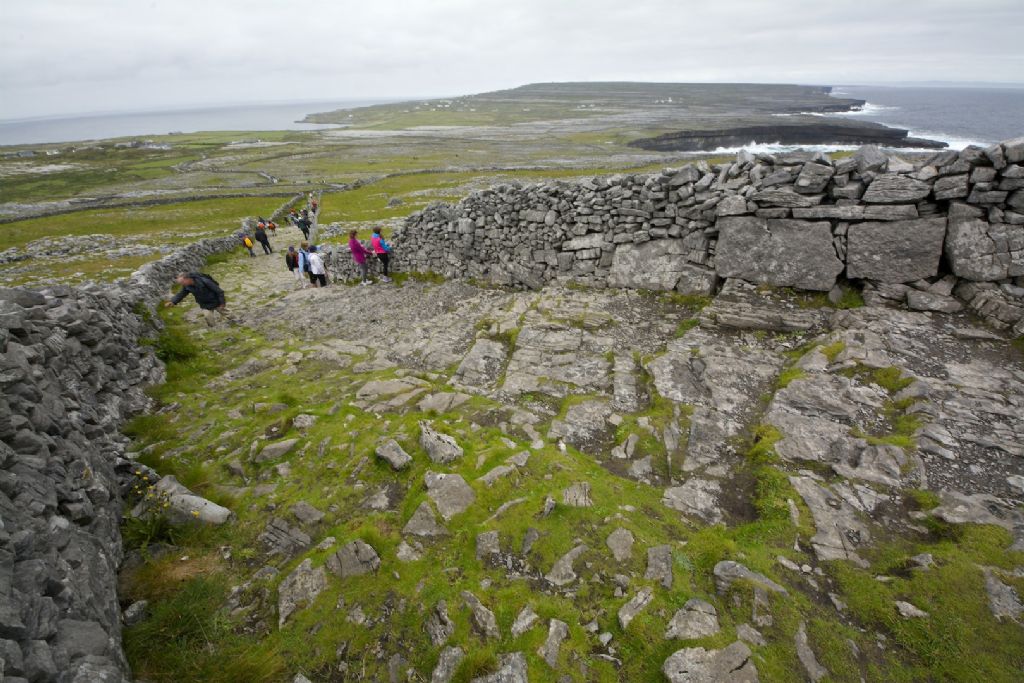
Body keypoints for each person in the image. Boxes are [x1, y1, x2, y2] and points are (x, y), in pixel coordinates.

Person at [164, 272, 231, 326]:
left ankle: (238, 321)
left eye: (182, 282)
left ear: (188, 279)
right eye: (181, 283)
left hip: (216, 301)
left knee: (227, 313)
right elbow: (181, 294)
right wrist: (173, 301)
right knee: (208, 317)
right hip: (204, 304)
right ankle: (214, 330)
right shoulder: (187, 286)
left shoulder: (205, 281)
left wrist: (222, 303)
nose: (182, 284)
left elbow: (219, 291)